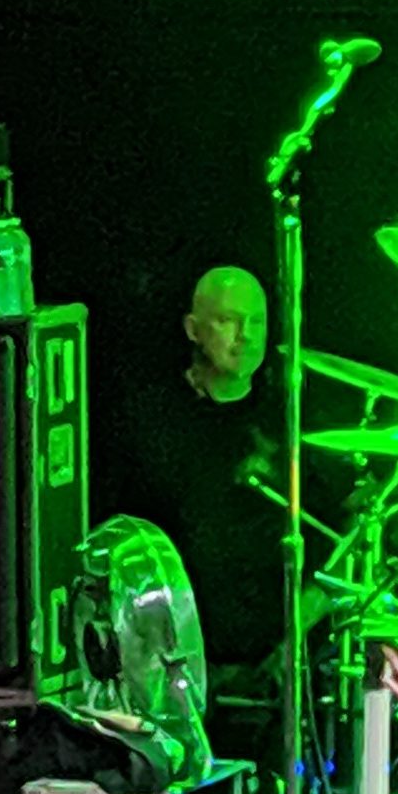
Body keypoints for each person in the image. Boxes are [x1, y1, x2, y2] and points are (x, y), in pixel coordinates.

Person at [100, 259, 285, 685]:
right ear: (192, 328)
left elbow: (336, 546)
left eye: (257, 321)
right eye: (228, 320)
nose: (246, 335)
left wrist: (295, 641)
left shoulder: (288, 423)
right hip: (170, 664)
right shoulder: (149, 422)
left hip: (276, 666)